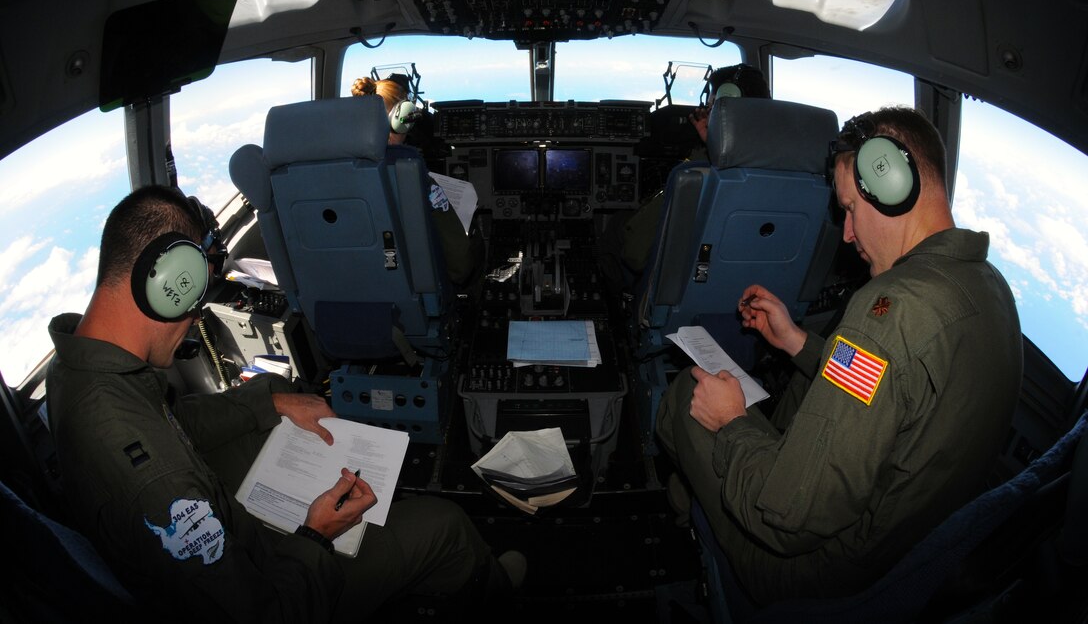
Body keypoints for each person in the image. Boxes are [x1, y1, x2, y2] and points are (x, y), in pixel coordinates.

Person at [45, 184, 524, 623]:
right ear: (175, 283)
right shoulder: (158, 482)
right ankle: (488, 589)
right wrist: (316, 534)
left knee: (279, 432)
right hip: (276, 586)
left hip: (215, 546)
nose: (195, 321)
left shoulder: (77, 366)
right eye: (198, 294)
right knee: (444, 525)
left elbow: (175, 424)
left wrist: (269, 402)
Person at [655, 105, 1023, 606]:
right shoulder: (989, 286)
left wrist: (732, 422)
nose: (847, 235)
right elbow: (891, 384)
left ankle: (689, 500)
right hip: (897, 550)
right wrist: (794, 340)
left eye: (849, 208)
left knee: (683, 396)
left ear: (890, 181)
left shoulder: (891, 308)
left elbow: (786, 518)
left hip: (809, 568)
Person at [598, 63, 771, 293]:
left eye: (711, 107)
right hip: (745, 287)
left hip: (681, 289)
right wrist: (711, 142)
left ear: (727, 109)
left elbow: (635, 254)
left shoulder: (695, 176)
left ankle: (618, 311)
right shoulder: (795, 172)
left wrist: (702, 153)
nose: (708, 112)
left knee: (618, 226)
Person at [351, 76, 484, 287]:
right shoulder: (416, 177)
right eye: (408, 116)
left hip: (353, 290)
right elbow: (459, 264)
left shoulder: (324, 174)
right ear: (399, 117)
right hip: (417, 300)